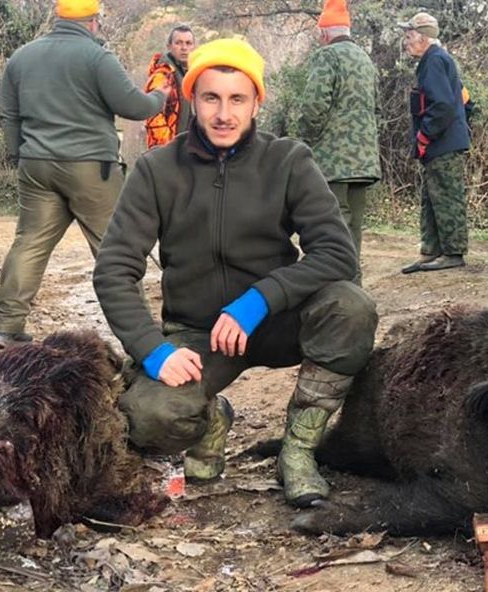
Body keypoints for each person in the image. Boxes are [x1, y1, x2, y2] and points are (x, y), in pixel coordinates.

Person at [93, 38, 378, 508]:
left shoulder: (288, 160)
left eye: (237, 99)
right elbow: (113, 271)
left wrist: (259, 300)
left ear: (255, 103)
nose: (224, 114)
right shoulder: (156, 170)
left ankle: (298, 450)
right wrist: (153, 351)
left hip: (278, 320)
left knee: (351, 307)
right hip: (199, 333)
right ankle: (211, 418)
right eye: (211, 98)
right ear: (192, 99)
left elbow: (337, 253)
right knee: (145, 417)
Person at [0, 0, 170, 350]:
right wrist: (159, 97)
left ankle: (7, 327)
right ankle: (142, 335)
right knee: (115, 248)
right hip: (90, 167)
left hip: (36, 164)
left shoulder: (21, 57)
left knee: (29, 243)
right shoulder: (96, 57)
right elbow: (134, 106)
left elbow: (9, 116)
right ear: (93, 21)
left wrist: (20, 155)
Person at [297, 0, 381, 284]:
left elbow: (313, 107)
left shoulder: (327, 56)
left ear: (324, 33)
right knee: (353, 225)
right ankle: (352, 284)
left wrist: (305, 142)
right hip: (365, 160)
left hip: (333, 161)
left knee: (333, 224)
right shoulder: (365, 59)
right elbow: (377, 107)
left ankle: (334, 284)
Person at [398, 12, 471, 274]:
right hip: (442, 142)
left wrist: (424, 136)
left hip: (442, 143)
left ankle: (452, 253)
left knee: (446, 197)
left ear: (424, 38)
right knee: (431, 197)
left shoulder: (435, 61)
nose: (406, 42)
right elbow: (464, 99)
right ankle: (431, 251)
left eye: (409, 36)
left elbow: (442, 105)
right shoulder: (435, 60)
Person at [144, 24, 197, 149]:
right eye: (178, 43)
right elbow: (153, 115)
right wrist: (168, 148)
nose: (184, 48)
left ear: (193, 46)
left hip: (189, 148)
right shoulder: (162, 76)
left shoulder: (193, 75)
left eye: (188, 43)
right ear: (169, 46)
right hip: (168, 150)